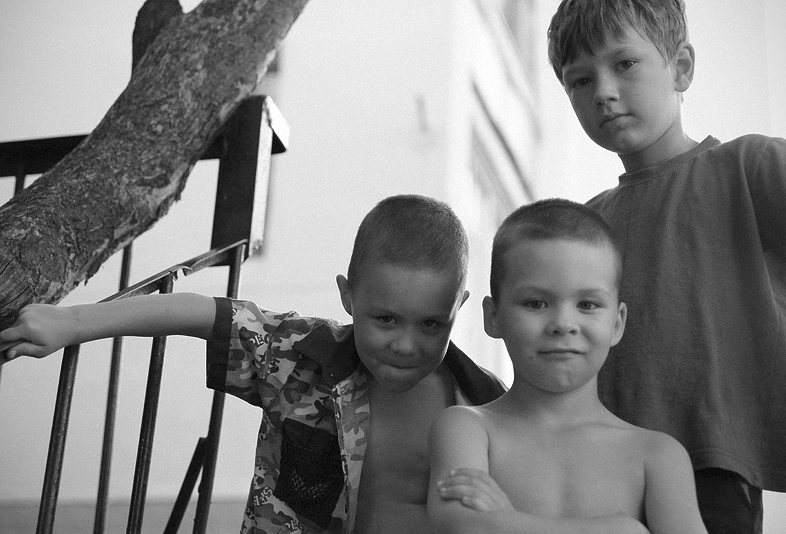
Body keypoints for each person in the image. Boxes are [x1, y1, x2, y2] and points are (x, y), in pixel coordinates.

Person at [0, 194, 508, 534]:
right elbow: (199, 313)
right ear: (348, 296)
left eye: (431, 324)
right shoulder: (300, 356)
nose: (406, 344)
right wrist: (72, 323)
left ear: (458, 309)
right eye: (386, 319)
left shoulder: (486, 402)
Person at [546, 1, 786, 532]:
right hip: (596, 473)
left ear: (680, 68)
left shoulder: (751, 167)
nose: (603, 91)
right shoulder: (582, 227)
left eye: (624, 64)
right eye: (579, 80)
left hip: (711, 468)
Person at [427, 198, 708, 534]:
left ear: (617, 323)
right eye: (536, 303)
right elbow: (461, 527)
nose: (562, 324)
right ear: (494, 317)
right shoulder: (467, 429)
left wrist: (505, 520)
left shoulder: (658, 457)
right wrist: (620, 529)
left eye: (587, 304)